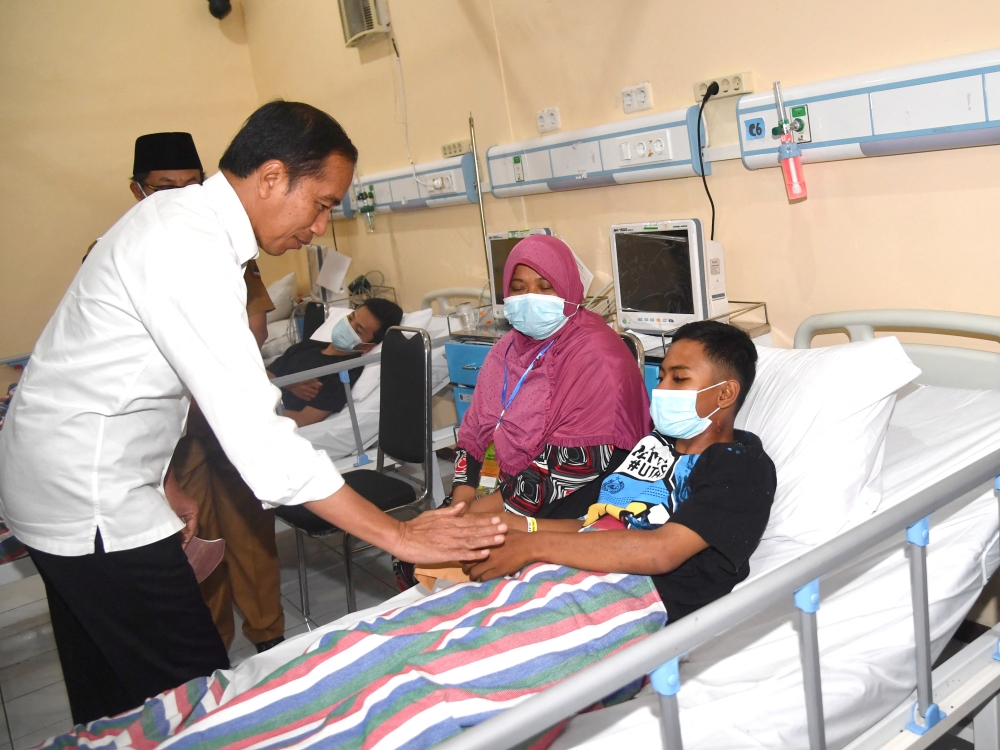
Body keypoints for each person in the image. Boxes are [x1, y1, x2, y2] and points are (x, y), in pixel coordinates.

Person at [0, 100, 507, 726]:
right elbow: (261, 441)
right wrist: (399, 535)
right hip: (90, 499)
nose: (321, 226)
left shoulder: (178, 224)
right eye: (321, 203)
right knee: (194, 704)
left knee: (112, 704)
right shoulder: (188, 247)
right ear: (271, 177)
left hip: (60, 477)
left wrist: (162, 477)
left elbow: (126, 377)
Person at [42, 321, 775, 748]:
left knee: (414, 693)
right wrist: (509, 526)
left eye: (679, 379)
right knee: (371, 645)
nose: (661, 391)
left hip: (624, 602)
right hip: (560, 570)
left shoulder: (740, 464)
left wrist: (531, 545)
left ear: (726, 392)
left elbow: (661, 550)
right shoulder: (649, 449)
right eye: (661, 376)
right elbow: (587, 521)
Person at [452, 234, 651, 522]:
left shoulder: (596, 356)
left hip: (576, 493)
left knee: (456, 541)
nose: (530, 298)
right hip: (502, 483)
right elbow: (472, 432)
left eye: (545, 287)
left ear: (568, 288)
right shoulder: (506, 349)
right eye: (518, 288)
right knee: (432, 537)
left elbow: (574, 467)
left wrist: (477, 515)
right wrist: (461, 501)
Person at [266, 297, 403, 428]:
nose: (348, 326)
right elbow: (264, 374)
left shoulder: (343, 372)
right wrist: (289, 384)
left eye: (357, 330)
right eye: (350, 318)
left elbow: (303, 419)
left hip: (267, 420)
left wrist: (259, 412)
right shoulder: (308, 346)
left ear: (368, 347)